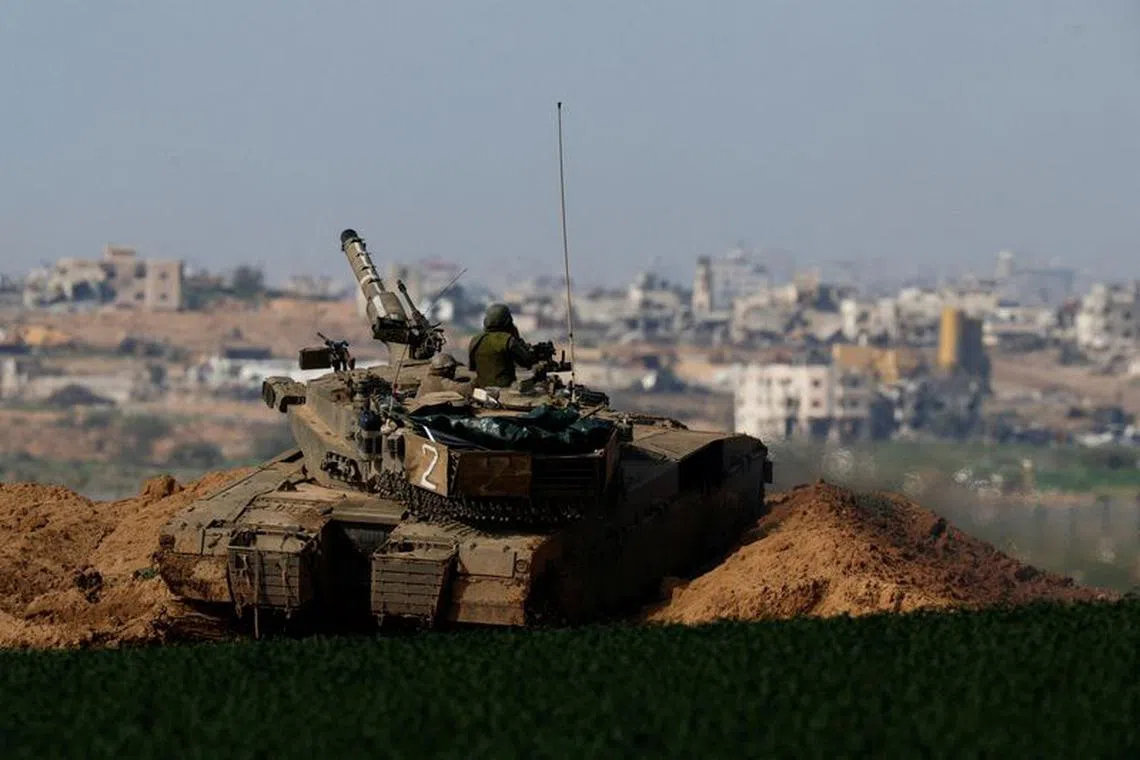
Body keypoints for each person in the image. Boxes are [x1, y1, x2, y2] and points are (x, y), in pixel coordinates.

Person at [467, 303, 537, 388]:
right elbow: (527, 362)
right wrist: (518, 339)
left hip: (482, 390)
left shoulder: (476, 340)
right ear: (507, 321)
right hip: (505, 390)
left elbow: (472, 367)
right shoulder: (508, 340)